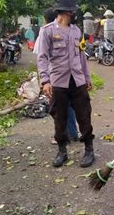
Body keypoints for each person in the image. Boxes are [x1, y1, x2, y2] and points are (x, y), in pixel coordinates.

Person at [37, 0, 95, 168]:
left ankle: (89, 149)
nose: (75, 13)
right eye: (73, 11)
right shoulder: (47, 31)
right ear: (66, 12)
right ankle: (62, 151)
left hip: (77, 80)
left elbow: (82, 57)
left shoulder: (77, 32)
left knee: (84, 115)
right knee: (59, 117)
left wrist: (87, 77)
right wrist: (45, 81)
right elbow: (42, 57)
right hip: (58, 82)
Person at [34, 8, 80, 144]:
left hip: (56, 78)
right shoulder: (48, 32)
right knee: (67, 106)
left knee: (59, 109)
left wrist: (44, 80)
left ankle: (64, 136)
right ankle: (71, 133)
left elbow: (41, 58)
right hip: (59, 77)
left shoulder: (47, 33)